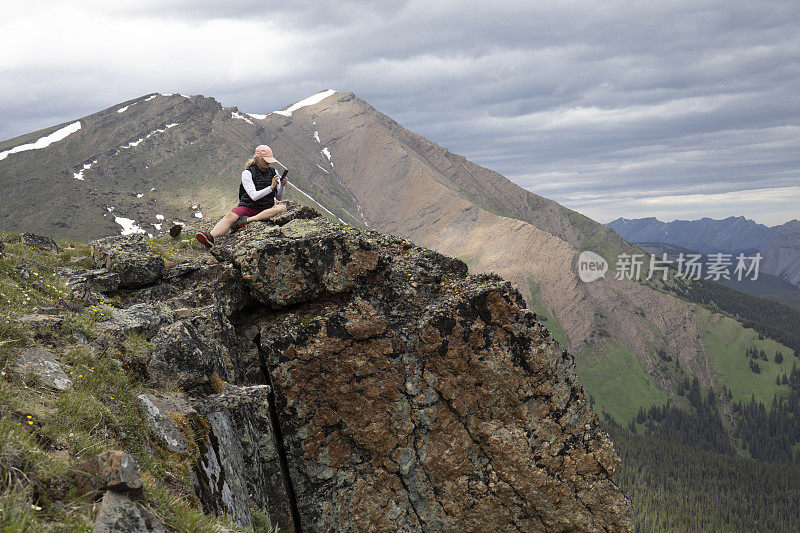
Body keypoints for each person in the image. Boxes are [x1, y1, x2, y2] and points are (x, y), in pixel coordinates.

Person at [196, 145, 288, 248]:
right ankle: (210, 237)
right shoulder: (247, 173)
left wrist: (282, 187)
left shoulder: (273, 172)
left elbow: (279, 198)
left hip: (266, 207)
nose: (268, 163)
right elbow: (253, 196)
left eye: (269, 160)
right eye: (266, 160)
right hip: (248, 206)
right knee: (230, 216)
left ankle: (248, 220)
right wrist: (271, 187)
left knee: (282, 207)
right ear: (258, 158)